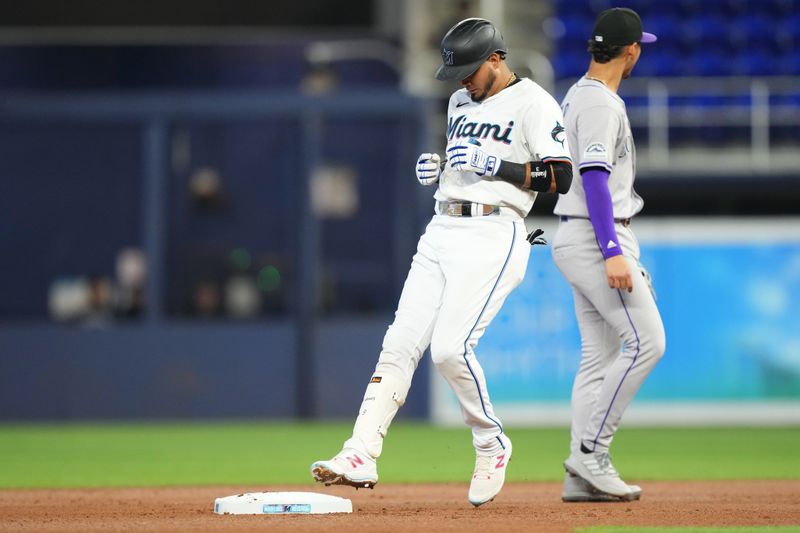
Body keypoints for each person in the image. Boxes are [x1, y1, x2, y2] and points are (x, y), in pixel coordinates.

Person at [310, 17, 572, 507]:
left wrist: (500, 167)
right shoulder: (458, 102)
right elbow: (465, 159)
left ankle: (490, 440)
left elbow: (562, 176)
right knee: (399, 344)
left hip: (495, 230)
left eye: (472, 69)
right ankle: (360, 453)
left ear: (497, 58)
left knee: (450, 350)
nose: (464, 80)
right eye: (458, 72)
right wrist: (439, 167)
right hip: (442, 225)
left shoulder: (534, 102)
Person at [551, 7, 666, 502]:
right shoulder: (599, 103)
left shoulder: (580, 92)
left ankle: (580, 479)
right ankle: (590, 453)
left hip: (580, 233)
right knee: (647, 342)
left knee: (597, 358)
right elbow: (594, 177)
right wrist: (613, 250)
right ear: (631, 51)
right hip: (596, 236)